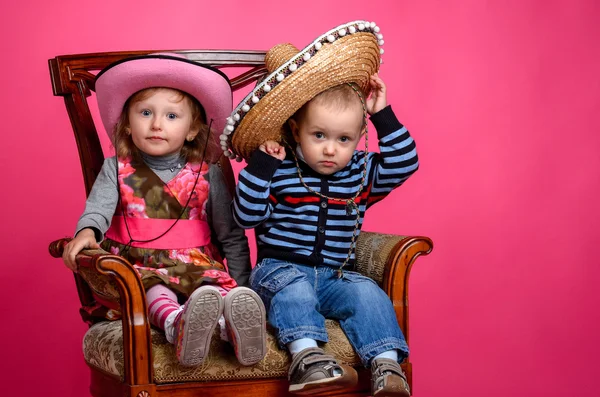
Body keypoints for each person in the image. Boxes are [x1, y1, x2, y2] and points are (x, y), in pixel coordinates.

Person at [223, 21, 419, 395]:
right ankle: (307, 358)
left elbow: (404, 163)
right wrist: (261, 169)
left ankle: (387, 366)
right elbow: (244, 216)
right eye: (319, 136)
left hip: (334, 276)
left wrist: (383, 115)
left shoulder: (360, 172)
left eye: (344, 139)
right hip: (279, 272)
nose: (331, 149)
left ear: (360, 136)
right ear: (296, 131)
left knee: (367, 292)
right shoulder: (278, 170)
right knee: (294, 291)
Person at [62, 54, 266, 367]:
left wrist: (241, 284)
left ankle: (232, 327)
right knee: (153, 290)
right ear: (128, 125)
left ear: (193, 130)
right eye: (146, 113)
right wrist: (86, 232)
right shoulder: (116, 169)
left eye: (172, 116)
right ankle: (177, 325)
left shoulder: (206, 173)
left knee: (214, 287)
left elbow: (231, 235)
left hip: (196, 263)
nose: (157, 124)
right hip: (140, 266)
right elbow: (97, 210)